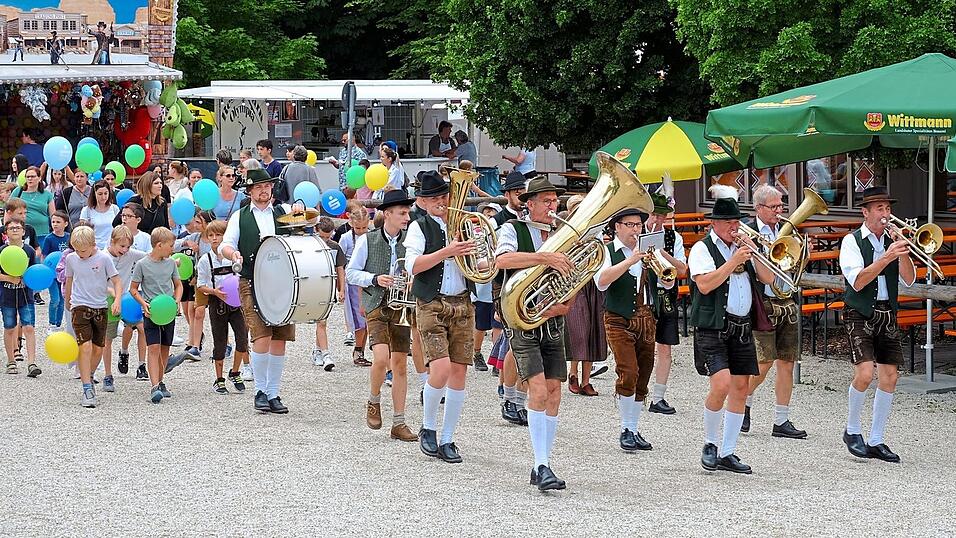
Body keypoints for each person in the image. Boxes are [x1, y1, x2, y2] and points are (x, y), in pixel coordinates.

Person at [689, 186, 775, 474]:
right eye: (728, 223)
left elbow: (769, 279)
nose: (734, 228)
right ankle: (710, 443)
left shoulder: (743, 247)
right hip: (713, 326)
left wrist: (756, 256)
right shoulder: (703, 248)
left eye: (737, 222)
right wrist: (733, 261)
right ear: (715, 224)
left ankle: (728, 451)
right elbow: (704, 284)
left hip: (742, 326)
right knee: (722, 384)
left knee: (740, 387)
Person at [493, 176, 573, 490]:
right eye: (547, 202)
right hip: (523, 320)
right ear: (531, 204)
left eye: (555, 201)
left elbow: (578, 274)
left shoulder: (562, 234)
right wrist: (544, 257)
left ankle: (544, 461)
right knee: (538, 391)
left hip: (553, 321)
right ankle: (542, 466)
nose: (554, 207)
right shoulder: (514, 228)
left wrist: (567, 303)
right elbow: (502, 260)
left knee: (554, 392)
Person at [839, 186, 916, 463]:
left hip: (887, 312)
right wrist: (885, 256)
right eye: (880, 209)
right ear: (866, 212)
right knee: (864, 374)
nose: (886, 214)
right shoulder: (852, 241)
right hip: (860, 312)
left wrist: (903, 251)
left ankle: (877, 439)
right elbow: (858, 281)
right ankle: (851, 430)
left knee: (890, 377)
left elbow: (908, 280)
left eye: (888, 208)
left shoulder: (892, 241)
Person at [404, 170, 476, 463]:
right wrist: (449, 250)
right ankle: (428, 426)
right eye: (435, 198)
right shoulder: (418, 227)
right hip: (432, 302)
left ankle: (448, 437)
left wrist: (478, 255)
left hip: (462, 301)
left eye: (445, 196)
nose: (442, 202)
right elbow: (414, 266)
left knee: (459, 372)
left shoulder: (464, 226)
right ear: (422, 201)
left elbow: (476, 264)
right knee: (442, 369)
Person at [594, 207, 681, 451]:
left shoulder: (649, 250)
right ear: (617, 226)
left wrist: (665, 278)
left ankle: (633, 428)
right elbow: (601, 282)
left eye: (638, 225)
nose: (635, 229)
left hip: (646, 318)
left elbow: (669, 279)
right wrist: (630, 260)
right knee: (628, 371)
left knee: (643, 373)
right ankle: (625, 428)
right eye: (630, 225)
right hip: (617, 318)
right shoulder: (608, 251)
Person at [221, 169, 299, 414]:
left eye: (267, 186)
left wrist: (300, 211)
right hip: (251, 280)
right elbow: (225, 244)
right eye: (259, 187)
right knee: (261, 336)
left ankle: (273, 393)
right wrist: (232, 254)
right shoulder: (239, 216)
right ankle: (260, 392)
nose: (264, 190)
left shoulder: (283, 212)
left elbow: (309, 222)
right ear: (250, 191)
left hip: (283, 282)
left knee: (280, 338)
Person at [347, 190, 419, 442]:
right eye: (402, 213)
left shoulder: (411, 241)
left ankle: (399, 421)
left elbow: (418, 269)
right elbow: (351, 273)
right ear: (387, 214)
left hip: (402, 305)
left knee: (400, 363)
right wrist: (375, 278)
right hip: (377, 301)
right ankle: (374, 399)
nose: (407, 217)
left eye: (408, 213)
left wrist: (413, 281)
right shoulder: (367, 240)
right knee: (380, 357)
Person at [742, 185, 808, 438]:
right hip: (763, 302)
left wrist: (804, 253)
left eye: (782, 206)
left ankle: (782, 420)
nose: (780, 211)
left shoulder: (788, 231)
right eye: (774, 207)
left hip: (786, 300)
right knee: (763, 363)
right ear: (759, 208)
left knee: (787, 362)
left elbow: (793, 264)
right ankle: (743, 399)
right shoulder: (748, 232)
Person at [63, 227, 122, 407]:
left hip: (100, 308)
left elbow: (117, 281)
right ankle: (87, 387)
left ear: (93, 245)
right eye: (76, 250)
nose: (80, 254)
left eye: (83, 250)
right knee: (85, 346)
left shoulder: (104, 259)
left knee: (98, 348)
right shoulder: (71, 259)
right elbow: (69, 280)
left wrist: (117, 300)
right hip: (79, 306)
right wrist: (68, 300)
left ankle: (89, 374)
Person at [645, 188, 687, 415]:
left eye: (662, 215)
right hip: (644, 295)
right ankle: (636, 392)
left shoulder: (674, 237)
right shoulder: (637, 235)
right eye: (654, 214)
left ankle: (658, 397)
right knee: (641, 348)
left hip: (667, 295)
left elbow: (682, 269)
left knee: (665, 349)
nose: (658, 220)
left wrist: (663, 253)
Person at [129, 227, 183, 404]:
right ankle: (154, 386)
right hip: (151, 311)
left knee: (165, 348)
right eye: (170, 246)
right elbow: (133, 289)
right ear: (159, 245)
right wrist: (143, 303)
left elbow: (178, 285)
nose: (172, 249)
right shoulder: (142, 264)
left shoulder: (170, 264)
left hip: (168, 312)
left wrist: (177, 301)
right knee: (153, 347)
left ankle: (161, 381)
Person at [196, 220, 248, 394]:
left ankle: (235, 372)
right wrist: (214, 291)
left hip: (236, 302)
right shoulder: (205, 260)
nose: (214, 238)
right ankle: (219, 379)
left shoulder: (232, 256)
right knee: (220, 342)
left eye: (218, 235)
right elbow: (200, 285)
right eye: (211, 235)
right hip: (217, 303)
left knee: (242, 338)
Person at [106, 226, 148, 381]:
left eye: (128, 247)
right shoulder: (104, 257)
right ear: (112, 242)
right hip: (110, 299)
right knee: (111, 336)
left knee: (141, 327)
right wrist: (112, 292)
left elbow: (149, 256)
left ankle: (141, 365)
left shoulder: (130, 255)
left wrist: (171, 260)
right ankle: (123, 353)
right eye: (122, 246)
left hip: (128, 299)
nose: (125, 250)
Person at [0, 219, 39, 377]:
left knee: (29, 327)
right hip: (7, 296)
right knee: (9, 328)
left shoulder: (29, 251)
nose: (15, 230)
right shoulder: (2, 250)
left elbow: (34, 272)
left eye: (18, 228)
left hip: (26, 295)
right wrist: (9, 278)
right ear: (6, 232)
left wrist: (28, 278)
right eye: (11, 228)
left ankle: (32, 362)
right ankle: (11, 361)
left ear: (24, 232)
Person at [339, 205, 371, 366]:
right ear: (351, 223)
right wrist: (341, 287)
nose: (361, 230)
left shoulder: (371, 236)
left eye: (364, 227)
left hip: (368, 281)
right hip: (352, 283)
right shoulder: (345, 238)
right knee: (358, 319)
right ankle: (358, 350)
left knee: (367, 319)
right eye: (358, 227)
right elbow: (340, 262)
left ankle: (361, 349)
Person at [313, 217, 346, 370]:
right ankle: (325, 354)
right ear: (315, 231)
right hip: (314, 286)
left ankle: (318, 350)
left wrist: (342, 289)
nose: (325, 240)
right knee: (322, 321)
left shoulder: (335, 247)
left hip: (329, 287)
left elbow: (340, 269)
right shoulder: (310, 245)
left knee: (322, 320)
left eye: (328, 237)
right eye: (322, 237)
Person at [40, 211, 71, 327]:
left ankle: (58, 324)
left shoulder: (68, 237)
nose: (55, 224)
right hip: (52, 275)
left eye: (58, 222)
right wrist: (45, 271)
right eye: (53, 222)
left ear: (66, 223)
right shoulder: (49, 238)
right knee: (55, 299)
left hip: (64, 275)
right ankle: (51, 324)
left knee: (63, 301)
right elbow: (44, 256)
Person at [11, 166, 55, 245]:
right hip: (22, 234)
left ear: (39, 178)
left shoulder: (47, 194)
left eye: (32, 176)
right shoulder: (18, 192)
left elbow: (53, 215)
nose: (30, 179)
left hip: (42, 234)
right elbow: (8, 211)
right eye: (27, 177)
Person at [79, 180, 119, 250]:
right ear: (94, 194)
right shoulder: (86, 210)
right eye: (100, 194)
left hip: (111, 247)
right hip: (94, 248)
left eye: (106, 193)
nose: (103, 197)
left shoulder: (114, 208)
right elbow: (83, 232)